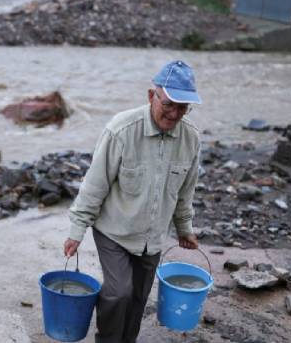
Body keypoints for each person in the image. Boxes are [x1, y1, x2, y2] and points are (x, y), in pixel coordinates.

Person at [63, 60, 202, 343]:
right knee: (119, 292)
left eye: (183, 108)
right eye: (169, 104)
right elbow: (94, 184)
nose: (174, 114)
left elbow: (185, 190)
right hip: (113, 230)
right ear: (152, 96)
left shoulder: (191, 138)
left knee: (138, 298)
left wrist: (184, 228)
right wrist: (76, 231)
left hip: (152, 236)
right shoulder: (121, 130)